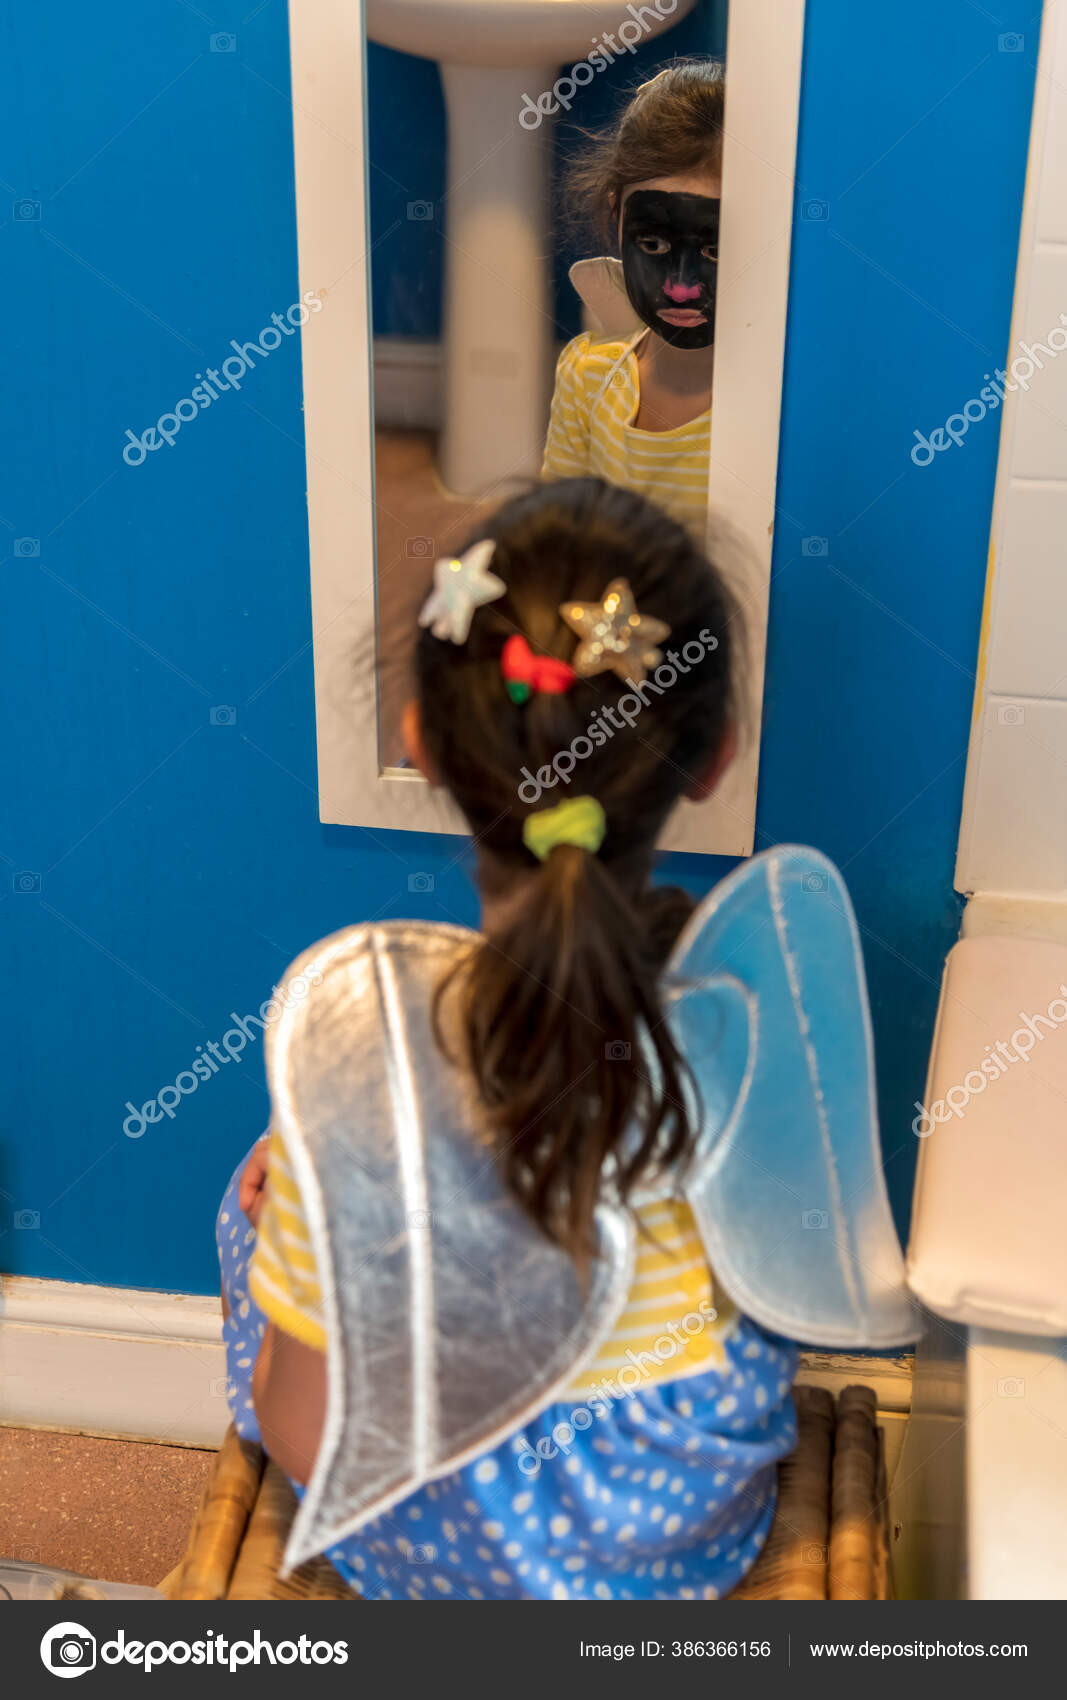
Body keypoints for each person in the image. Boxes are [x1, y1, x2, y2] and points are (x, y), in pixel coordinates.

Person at [216, 477, 914, 1601]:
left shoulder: (362, 1070)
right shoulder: (758, 1014)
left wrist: (322, 1186)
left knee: (247, 1196)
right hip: (685, 1544)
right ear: (712, 756)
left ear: (421, 744)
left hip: (429, 1553)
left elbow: (305, 1437)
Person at [542, 62, 724, 540]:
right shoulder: (587, 377)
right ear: (616, 215)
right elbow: (556, 539)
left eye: (715, 250)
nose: (681, 289)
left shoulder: (778, 412)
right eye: (654, 244)